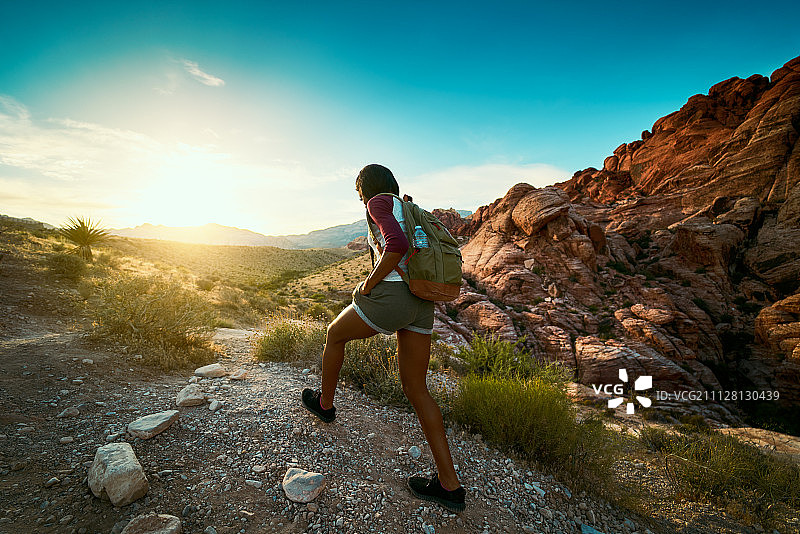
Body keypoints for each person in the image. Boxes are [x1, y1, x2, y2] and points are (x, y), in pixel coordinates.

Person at [301, 163, 466, 512]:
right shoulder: (408, 207)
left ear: (364, 188)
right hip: (422, 300)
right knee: (417, 388)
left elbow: (396, 245)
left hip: (392, 297)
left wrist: (368, 284)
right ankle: (450, 486)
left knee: (334, 333)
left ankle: (325, 405)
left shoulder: (378, 203)